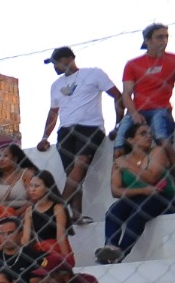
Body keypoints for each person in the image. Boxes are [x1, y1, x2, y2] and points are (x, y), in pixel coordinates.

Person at [38, 47, 125, 224]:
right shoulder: (56, 85)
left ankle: (58, 206)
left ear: (70, 59)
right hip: (65, 131)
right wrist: (45, 137)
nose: (55, 67)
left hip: (90, 127)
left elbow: (117, 96)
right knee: (72, 172)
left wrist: (118, 124)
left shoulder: (93, 74)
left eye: (57, 63)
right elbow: (53, 112)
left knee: (81, 163)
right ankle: (76, 215)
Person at [118, 22, 175, 208]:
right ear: (148, 40)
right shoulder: (133, 64)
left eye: (166, 36)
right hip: (137, 111)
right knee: (119, 148)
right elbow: (126, 94)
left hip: (161, 109)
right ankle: (127, 194)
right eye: (160, 37)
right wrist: (134, 114)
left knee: (164, 143)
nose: (165, 40)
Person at [97, 124, 175, 264]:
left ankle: (119, 253)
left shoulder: (157, 151)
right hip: (138, 196)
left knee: (138, 212)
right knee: (112, 213)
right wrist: (143, 190)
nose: (149, 136)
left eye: (150, 133)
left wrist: (128, 165)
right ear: (130, 139)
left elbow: (152, 178)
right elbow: (116, 191)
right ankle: (110, 247)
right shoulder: (120, 160)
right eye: (143, 133)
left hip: (162, 197)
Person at [21, 169, 72, 267]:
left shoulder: (57, 208)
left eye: (37, 186)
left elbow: (60, 237)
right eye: (31, 185)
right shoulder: (29, 211)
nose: (32, 189)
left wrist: (67, 258)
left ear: (48, 188)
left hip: (55, 249)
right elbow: (25, 239)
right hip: (39, 250)